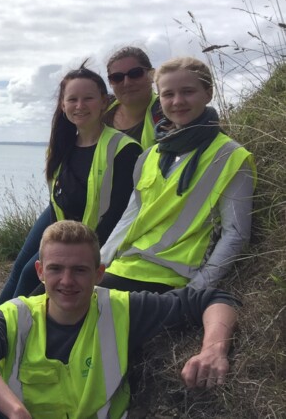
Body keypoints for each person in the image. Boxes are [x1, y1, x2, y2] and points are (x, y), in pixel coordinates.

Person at [0, 220, 239, 419]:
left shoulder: (125, 309)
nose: (67, 281)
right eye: (56, 269)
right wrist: (16, 411)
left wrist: (214, 349)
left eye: (80, 270)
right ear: (40, 272)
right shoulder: (17, 314)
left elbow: (213, 299)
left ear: (99, 273)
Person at [100, 57, 256, 292]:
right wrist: (98, 264)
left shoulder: (232, 156)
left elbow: (236, 234)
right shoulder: (150, 155)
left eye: (188, 91)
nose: (177, 101)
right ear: (160, 99)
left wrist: (195, 291)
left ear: (208, 93)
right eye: (168, 94)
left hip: (171, 278)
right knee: (38, 301)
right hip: (126, 266)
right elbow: (130, 218)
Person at [0, 65, 141, 304]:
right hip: (64, 238)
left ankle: (1, 330)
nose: (80, 106)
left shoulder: (124, 150)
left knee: (31, 281)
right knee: (23, 270)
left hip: (91, 248)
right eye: (72, 99)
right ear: (63, 106)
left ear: (104, 102)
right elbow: (59, 202)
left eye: (88, 98)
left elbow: (118, 217)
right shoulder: (64, 146)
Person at [102, 46, 164, 148]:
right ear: (110, 83)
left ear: (152, 75)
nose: (127, 83)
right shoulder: (100, 114)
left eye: (135, 73)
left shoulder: (169, 113)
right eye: (117, 77)